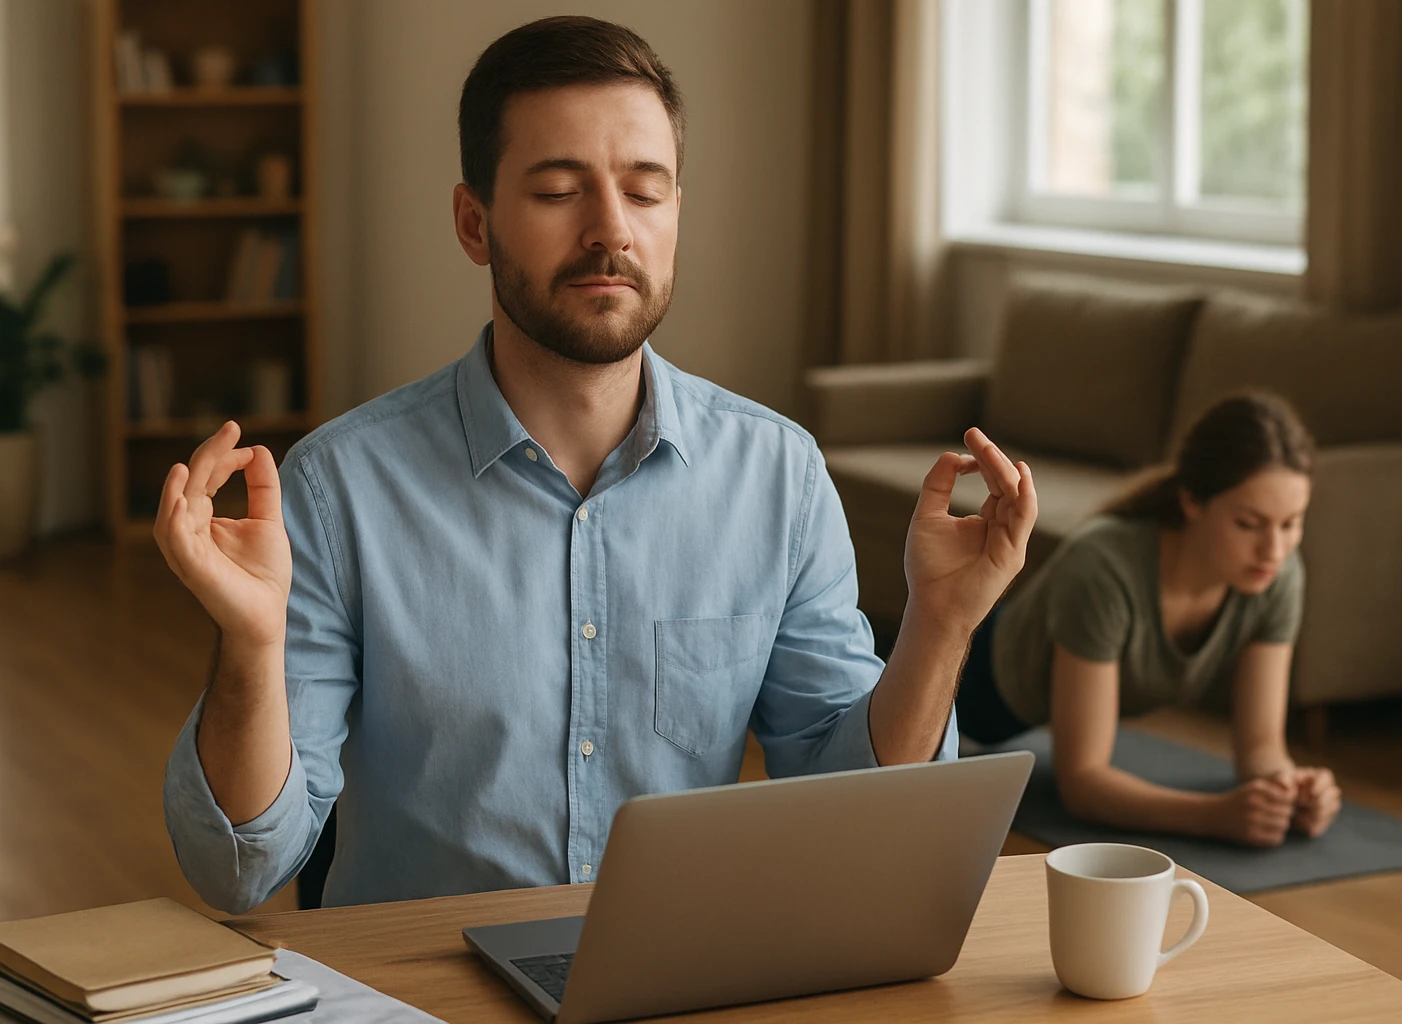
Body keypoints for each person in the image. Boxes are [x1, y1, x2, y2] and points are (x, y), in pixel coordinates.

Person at [155, 16, 1038, 914]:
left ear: (675, 215)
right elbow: (238, 871)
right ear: (474, 223)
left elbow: (858, 818)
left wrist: (937, 626)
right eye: (557, 191)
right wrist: (253, 645)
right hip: (420, 995)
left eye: (645, 193)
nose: (610, 229)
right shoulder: (336, 488)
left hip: (682, 976)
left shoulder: (779, 476)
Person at [955, 392, 1342, 847]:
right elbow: (1082, 783)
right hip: (969, 694)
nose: (1274, 551)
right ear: (1192, 501)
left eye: (1291, 523)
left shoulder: (1277, 577)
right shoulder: (1104, 566)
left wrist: (1290, 789)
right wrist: (1216, 816)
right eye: (1249, 524)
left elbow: (1261, 747)